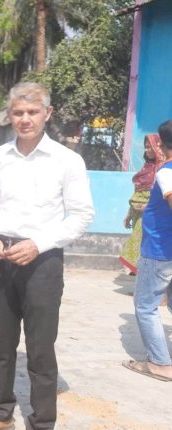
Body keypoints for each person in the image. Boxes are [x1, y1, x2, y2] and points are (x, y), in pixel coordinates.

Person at [0, 82, 94, 430]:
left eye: (32, 112)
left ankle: (42, 421)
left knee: (40, 347)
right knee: (2, 341)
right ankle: (1, 412)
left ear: (47, 114)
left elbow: (82, 214)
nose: (25, 119)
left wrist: (39, 243)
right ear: (10, 115)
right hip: (2, 257)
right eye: (18, 113)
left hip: (43, 262)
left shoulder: (67, 160)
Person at [122, 120, 172, 381]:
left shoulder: (166, 172)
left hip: (160, 250)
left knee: (145, 306)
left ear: (161, 144)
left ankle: (160, 364)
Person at [119, 134, 166, 275]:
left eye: (150, 147)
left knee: (140, 241)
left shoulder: (163, 169)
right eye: (145, 147)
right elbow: (136, 194)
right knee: (140, 243)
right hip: (137, 212)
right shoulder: (146, 168)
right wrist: (128, 215)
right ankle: (142, 277)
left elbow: (162, 194)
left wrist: (150, 207)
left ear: (158, 147)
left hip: (151, 213)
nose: (147, 150)